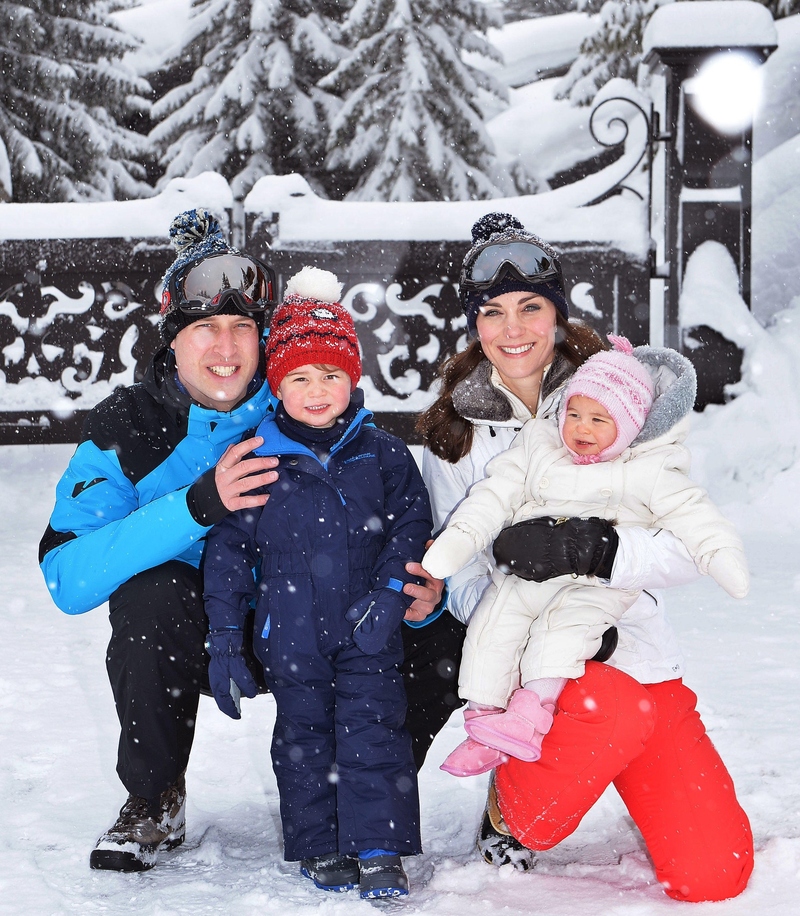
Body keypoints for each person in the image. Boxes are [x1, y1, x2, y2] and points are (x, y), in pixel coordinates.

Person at [37, 209, 442, 873]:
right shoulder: (128, 427)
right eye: (203, 328)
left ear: (265, 340)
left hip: (329, 621)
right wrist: (198, 505)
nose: (224, 348)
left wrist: (422, 587)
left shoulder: (309, 399)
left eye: (240, 328)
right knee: (150, 595)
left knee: (434, 617)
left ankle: (363, 780)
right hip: (213, 633)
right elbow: (67, 578)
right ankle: (154, 797)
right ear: (173, 337)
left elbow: (397, 515)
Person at [415, 211, 753, 902]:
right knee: (608, 713)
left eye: (531, 308)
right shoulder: (459, 432)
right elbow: (461, 576)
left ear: (559, 315)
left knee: (715, 873)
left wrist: (602, 552)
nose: (514, 330)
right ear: (474, 326)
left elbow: (689, 543)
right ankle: (512, 810)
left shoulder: (623, 396)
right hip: (539, 666)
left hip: (639, 651)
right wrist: (534, 616)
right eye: (494, 312)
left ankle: (614, 765)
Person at [203, 267, 431, 899]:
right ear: (277, 384)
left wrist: (390, 592)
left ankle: (380, 846)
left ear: (352, 377)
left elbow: (412, 525)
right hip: (292, 634)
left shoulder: (382, 453)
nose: (317, 389)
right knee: (303, 739)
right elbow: (226, 551)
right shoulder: (256, 456)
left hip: (367, 626)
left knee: (373, 731)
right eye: (299, 377)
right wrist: (226, 637)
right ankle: (319, 843)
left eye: (331, 374)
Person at [422, 335, 748, 776]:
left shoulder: (648, 468)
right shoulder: (540, 448)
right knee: (491, 627)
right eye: (574, 414)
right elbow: (491, 495)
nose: (581, 428)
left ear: (630, 426)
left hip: (596, 592)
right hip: (525, 577)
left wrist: (604, 551)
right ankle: (484, 724)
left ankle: (526, 716)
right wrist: (462, 541)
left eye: (598, 419)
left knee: (559, 637)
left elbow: (695, 520)